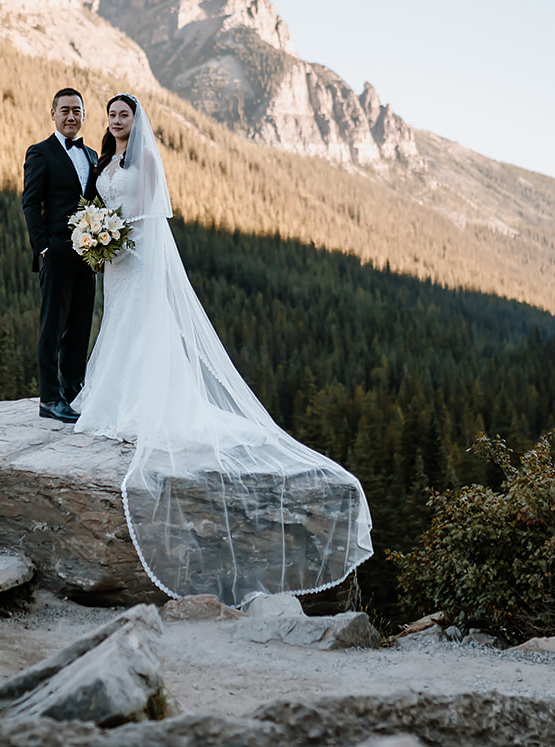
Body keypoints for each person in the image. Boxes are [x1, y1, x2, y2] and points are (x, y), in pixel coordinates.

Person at [72, 93, 373, 606]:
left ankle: (140, 402)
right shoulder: (106, 160)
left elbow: (148, 213)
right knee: (117, 325)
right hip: (115, 261)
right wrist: (95, 232)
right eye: (112, 116)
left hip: (137, 254)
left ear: (135, 120)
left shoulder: (143, 159)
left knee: (142, 328)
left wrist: (113, 232)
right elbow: (102, 201)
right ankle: (111, 395)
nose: (117, 121)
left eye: (124, 115)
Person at [21, 88, 97, 423]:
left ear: (83, 115)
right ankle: (49, 399)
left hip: (88, 256)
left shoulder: (93, 155)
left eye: (76, 111)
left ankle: (72, 391)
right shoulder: (41, 152)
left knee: (80, 328)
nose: (71, 116)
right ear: (52, 113)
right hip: (56, 254)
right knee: (52, 328)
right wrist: (44, 247)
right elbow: (30, 203)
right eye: (64, 110)